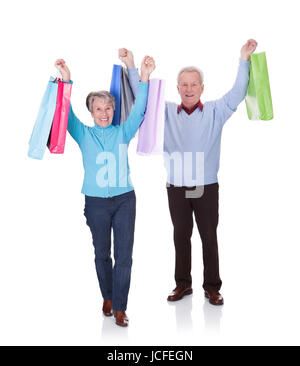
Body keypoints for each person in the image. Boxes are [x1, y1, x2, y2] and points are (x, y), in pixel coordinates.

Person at [119, 39, 257, 306]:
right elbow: (142, 98)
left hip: (205, 186)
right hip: (177, 187)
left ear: (202, 88)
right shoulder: (166, 111)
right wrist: (132, 66)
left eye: (194, 84)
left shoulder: (217, 110)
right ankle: (183, 284)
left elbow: (239, 91)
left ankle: (212, 287)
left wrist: (244, 59)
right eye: (184, 84)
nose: (189, 88)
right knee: (180, 235)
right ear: (178, 88)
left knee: (208, 236)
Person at [54, 55, 155, 326]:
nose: (104, 113)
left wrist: (144, 77)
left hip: (124, 200)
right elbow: (66, 113)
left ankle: (120, 307)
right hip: (96, 203)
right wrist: (66, 79)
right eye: (98, 109)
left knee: (124, 255)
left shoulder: (123, 131)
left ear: (113, 110)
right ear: (92, 112)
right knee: (102, 254)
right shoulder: (82, 133)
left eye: (108, 108)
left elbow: (140, 110)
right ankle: (107, 297)